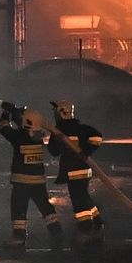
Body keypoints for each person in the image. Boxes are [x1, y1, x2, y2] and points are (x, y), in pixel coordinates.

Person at [0, 104, 62, 245]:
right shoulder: (38, 137)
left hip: (21, 182)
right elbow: (26, 125)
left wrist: (5, 113)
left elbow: (3, 128)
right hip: (38, 182)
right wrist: (17, 113)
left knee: (18, 208)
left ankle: (19, 237)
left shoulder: (19, 137)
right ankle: (57, 232)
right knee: (46, 207)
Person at [47, 100, 106, 241]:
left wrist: (84, 151)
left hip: (73, 171)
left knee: (79, 200)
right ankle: (97, 223)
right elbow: (97, 136)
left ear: (63, 112)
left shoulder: (62, 130)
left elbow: (53, 152)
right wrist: (86, 151)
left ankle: (85, 230)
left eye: (56, 112)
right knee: (83, 196)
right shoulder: (79, 128)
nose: (55, 115)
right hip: (83, 171)